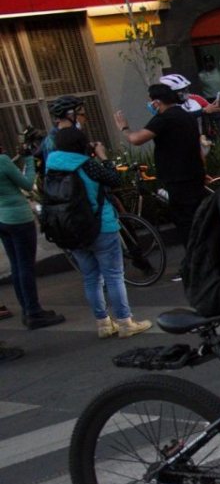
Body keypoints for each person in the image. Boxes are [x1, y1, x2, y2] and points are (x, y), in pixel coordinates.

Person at [44, 112, 152, 338]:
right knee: (113, 275)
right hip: (100, 225)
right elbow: (114, 179)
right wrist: (103, 156)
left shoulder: (51, 166)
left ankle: (103, 323)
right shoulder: (88, 165)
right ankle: (125, 322)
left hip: (71, 228)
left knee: (91, 278)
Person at [114, 84, 206, 279]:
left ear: (157, 101)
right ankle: (201, 261)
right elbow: (197, 146)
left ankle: (195, 265)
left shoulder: (165, 119)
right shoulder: (186, 116)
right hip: (193, 175)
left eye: (151, 101)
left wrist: (124, 128)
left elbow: (137, 139)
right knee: (196, 219)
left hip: (178, 178)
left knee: (186, 224)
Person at [0, 134, 64, 329]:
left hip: (2, 218)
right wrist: (28, 159)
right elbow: (27, 184)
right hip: (19, 217)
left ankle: (28, 310)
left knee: (17, 266)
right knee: (26, 266)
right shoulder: (2, 161)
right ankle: (34, 312)